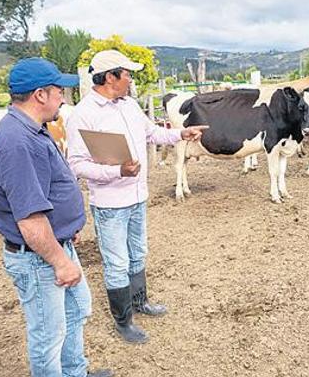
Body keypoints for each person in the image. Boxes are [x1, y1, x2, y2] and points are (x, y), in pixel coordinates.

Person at [0, 57, 112, 377]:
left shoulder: (33, 130)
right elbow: (29, 218)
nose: (63, 97)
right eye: (59, 91)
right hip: (40, 257)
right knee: (47, 332)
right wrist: (60, 261)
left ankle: (74, 374)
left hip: (55, 245)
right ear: (40, 94)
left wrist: (67, 227)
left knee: (77, 312)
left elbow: (45, 194)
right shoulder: (16, 141)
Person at [66, 50, 207, 344]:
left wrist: (181, 134)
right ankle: (123, 320)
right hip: (110, 203)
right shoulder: (84, 114)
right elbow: (76, 163)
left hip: (137, 195)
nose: (131, 79)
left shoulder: (128, 105)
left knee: (138, 252)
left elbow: (152, 133)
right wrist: (118, 171)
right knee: (117, 262)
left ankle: (140, 301)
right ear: (110, 77)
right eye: (127, 74)